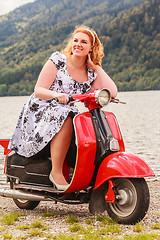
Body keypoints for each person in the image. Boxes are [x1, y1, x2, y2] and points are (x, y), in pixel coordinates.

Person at [8, 25, 117, 191]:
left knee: (85, 122)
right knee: (67, 115)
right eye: (76, 40)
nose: (78, 44)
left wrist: (96, 66)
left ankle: (84, 170)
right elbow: (39, 90)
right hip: (41, 107)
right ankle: (56, 172)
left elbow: (113, 92)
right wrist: (56, 95)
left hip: (67, 110)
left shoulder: (91, 72)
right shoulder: (58, 60)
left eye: (84, 42)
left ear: (91, 47)